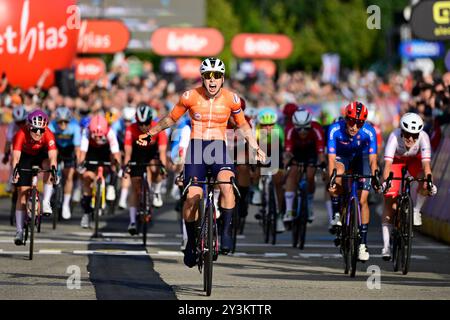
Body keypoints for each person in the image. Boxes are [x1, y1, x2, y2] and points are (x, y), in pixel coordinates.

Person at [137, 57, 265, 267]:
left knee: (227, 187)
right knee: (192, 198)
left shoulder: (231, 99)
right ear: (203, 78)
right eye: (208, 76)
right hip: (197, 149)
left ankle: (225, 234)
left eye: (217, 76)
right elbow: (171, 119)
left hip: (217, 149)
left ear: (223, 78)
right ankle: (190, 243)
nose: (212, 80)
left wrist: (255, 147)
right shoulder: (190, 96)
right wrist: (151, 133)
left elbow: (242, 125)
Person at [327, 101, 381, 262]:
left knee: (363, 199)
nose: (354, 126)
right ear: (345, 118)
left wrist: (375, 176)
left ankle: (362, 244)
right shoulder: (335, 129)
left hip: (361, 159)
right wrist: (331, 178)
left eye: (359, 123)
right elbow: (330, 159)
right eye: (351, 121)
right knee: (337, 174)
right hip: (342, 158)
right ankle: (337, 213)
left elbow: (373, 160)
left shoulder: (369, 132)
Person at [381, 112, 437, 260]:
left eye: (414, 135)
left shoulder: (424, 137)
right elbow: (387, 165)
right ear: (402, 131)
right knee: (390, 199)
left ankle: (416, 211)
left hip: (414, 161)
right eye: (407, 135)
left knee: (425, 180)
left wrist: (429, 182)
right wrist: (386, 182)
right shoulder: (394, 136)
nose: (411, 139)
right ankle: (386, 246)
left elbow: (426, 165)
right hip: (396, 161)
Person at [11, 110, 58, 245]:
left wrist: (54, 170)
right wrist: (16, 171)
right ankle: (19, 231)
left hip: (41, 155)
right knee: (22, 194)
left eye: (41, 130)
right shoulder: (21, 134)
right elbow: (16, 157)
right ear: (29, 126)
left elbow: (53, 156)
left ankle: (46, 202)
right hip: (25, 157)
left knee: (49, 165)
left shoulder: (48, 134)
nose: (38, 133)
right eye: (35, 129)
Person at [123, 103, 168, 235]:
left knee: (157, 168)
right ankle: (132, 221)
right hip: (138, 153)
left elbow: (162, 151)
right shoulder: (131, 129)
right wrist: (126, 166)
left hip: (152, 153)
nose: (143, 126)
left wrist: (163, 168)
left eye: (146, 123)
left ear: (151, 121)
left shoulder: (157, 128)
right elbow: (128, 151)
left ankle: (156, 192)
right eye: (140, 124)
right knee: (135, 186)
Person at [77, 114, 122, 228]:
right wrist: (81, 164)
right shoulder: (86, 132)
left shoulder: (110, 132)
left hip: (105, 152)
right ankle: (87, 213)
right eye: (95, 136)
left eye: (99, 136)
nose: (97, 138)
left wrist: (117, 166)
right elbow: (82, 152)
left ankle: (111, 185)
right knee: (87, 178)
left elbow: (116, 152)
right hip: (92, 152)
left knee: (114, 162)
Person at [283, 108, 326, 224]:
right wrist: (286, 166)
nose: (302, 131)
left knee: (311, 175)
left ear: (310, 124)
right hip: (296, 151)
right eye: (299, 128)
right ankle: (289, 210)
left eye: (305, 128)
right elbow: (288, 153)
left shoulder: (317, 128)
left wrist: (322, 167)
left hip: (310, 151)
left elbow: (321, 152)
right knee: (292, 173)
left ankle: (310, 203)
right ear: (294, 125)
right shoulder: (290, 129)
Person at [252, 107, 286, 233]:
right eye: (264, 125)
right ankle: (256, 189)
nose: (267, 128)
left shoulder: (279, 131)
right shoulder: (255, 130)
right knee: (255, 166)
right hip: (260, 152)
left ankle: (278, 216)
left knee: (278, 181)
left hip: (276, 154)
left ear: (275, 124)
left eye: (270, 125)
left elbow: (285, 149)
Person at [48, 107, 81, 220]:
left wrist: (78, 161)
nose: (62, 124)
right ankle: (51, 190)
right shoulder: (51, 126)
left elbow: (77, 148)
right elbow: (49, 144)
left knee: (69, 176)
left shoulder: (75, 127)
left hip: (70, 150)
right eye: (60, 122)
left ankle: (66, 204)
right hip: (56, 148)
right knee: (52, 166)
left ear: (69, 121)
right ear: (56, 121)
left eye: (65, 122)